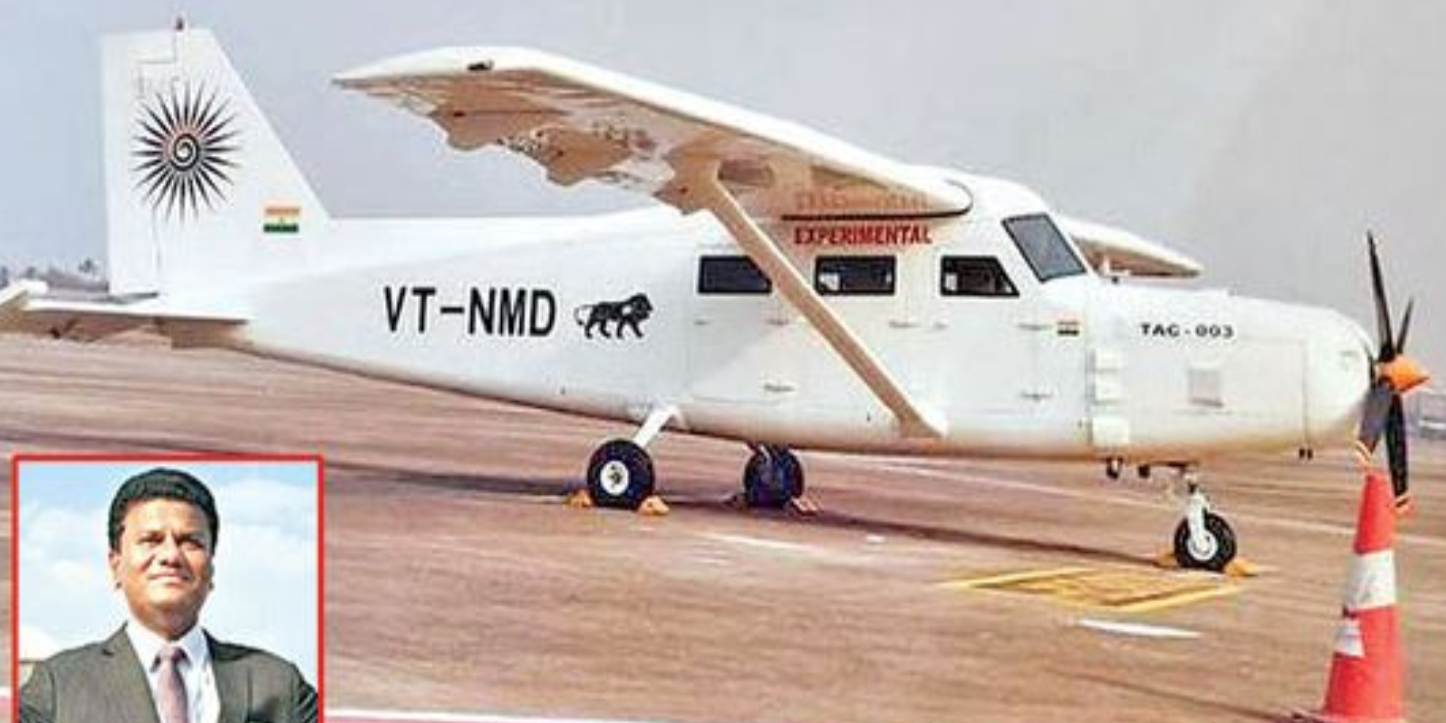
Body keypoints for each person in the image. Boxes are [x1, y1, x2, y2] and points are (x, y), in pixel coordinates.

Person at [20, 467, 318, 723]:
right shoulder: (57, 687)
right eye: (151, 540)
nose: (170, 555)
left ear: (211, 570)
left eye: (190, 542)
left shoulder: (281, 687)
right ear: (115, 566)